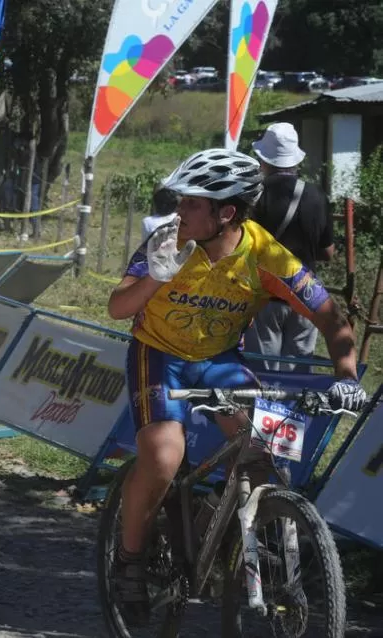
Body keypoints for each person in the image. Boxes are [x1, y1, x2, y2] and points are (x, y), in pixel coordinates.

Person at [106, 148, 366, 627]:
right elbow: (118, 308)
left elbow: (331, 319)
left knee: (259, 456)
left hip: (219, 359)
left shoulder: (266, 255)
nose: (179, 210)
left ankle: (215, 529)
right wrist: (156, 277)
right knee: (163, 457)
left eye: (191, 203)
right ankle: (130, 558)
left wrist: (347, 377)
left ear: (225, 213)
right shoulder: (168, 239)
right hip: (158, 354)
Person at [244, 122, 336, 372]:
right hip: (306, 297)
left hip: (266, 298)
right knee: (297, 378)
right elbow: (328, 252)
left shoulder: (255, 195)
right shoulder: (318, 196)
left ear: (263, 159)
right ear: (295, 160)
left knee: (261, 378)